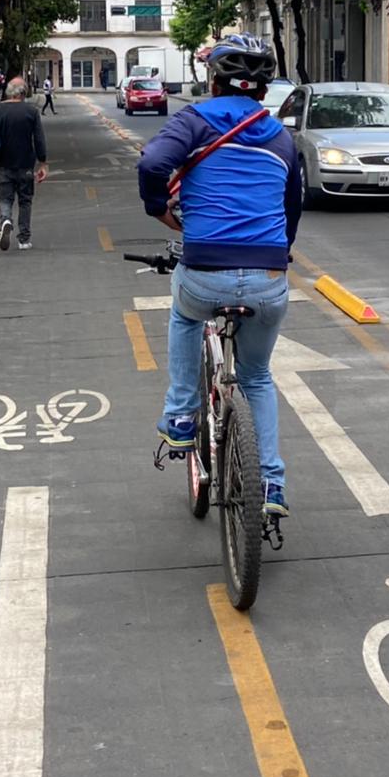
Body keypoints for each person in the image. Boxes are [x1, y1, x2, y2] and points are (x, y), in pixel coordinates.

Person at [136, 33, 301, 516]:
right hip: (270, 278)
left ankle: (182, 415)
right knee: (257, 376)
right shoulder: (281, 138)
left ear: (213, 80)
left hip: (206, 268)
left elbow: (152, 163)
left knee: (186, 316)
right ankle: (271, 484)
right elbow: (292, 210)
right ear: (262, 91)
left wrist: (157, 210)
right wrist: (276, 253)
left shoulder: (193, 120)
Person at [0, 76, 48, 251]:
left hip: (4, 163)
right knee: (25, 200)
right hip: (25, 163)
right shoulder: (31, 112)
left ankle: (5, 220)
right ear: (23, 93)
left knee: (5, 198)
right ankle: (24, 239)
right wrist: (43, 162)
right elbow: (39, 139)